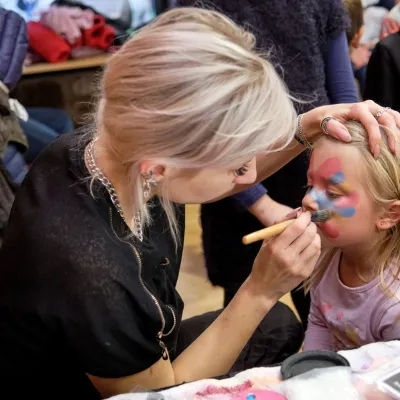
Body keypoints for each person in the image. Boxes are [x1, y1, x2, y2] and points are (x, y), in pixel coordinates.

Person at [0, 7, 398, 399]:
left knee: (277, 326)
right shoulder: (92, 273)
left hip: (139, 342)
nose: (249, 177)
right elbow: (153, 394)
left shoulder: (118, 144)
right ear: (160, 168)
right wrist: (260, 289)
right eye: (236, 165)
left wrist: (308, 125)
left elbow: (217, 170)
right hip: (106, 387)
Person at [176, 0, 359, 326]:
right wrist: (259, 202)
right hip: (228, 178)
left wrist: (351, 164)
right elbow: (210, 123)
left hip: (312, 167)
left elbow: (342, 93)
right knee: (246, 313)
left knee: (321, 299)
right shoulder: (203, 8)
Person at [302, 120, 400, 350]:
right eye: (309, 185)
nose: (307, 200)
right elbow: (320, 322)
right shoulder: (323, 257)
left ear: (388, 214)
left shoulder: (394, 306)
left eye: (333, 193)